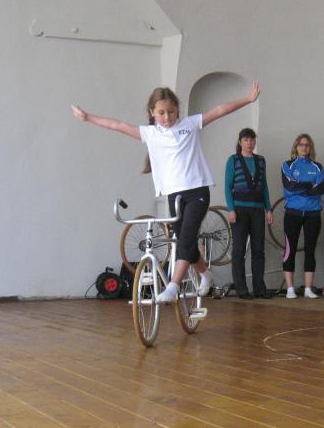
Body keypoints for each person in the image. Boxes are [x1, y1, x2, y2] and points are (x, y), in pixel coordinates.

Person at [71, 81, 260, 305]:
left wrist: (248, 99)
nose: (167, 117)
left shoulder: (190, 124)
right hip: (174, 195)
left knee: (186, 238)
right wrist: (88, 117)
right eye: (161, 112)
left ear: (177, 110)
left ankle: (173, 286)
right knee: (185, 242)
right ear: (152, 112)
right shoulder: (150, 134)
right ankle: (205, 274)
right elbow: (118, 125)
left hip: (198, 191)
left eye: (171, 111)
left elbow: (219, 110)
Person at [225, 128, 273, 300]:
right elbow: (227, 187)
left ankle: (259, 288)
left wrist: (268, 209)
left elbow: (264, 186)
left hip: (258, 210)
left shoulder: (261, 160)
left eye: (252, 140)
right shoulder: (233, 160)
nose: (249, 143)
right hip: (239, 210)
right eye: (246, 140)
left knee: (258, 250)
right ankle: (241, 288)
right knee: (239, 250)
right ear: (240, 142)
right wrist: (231, 209)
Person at [281, 134, 324, 299]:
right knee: (290, 249)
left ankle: (308, 289)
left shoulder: (318, 167)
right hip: (293, 213)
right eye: (301, 144)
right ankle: (290, 289)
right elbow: (289, 187)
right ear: (296, 146)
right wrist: (308, 184)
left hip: (313, 214)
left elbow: (319, 190)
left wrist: (299, 185)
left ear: (310, 148)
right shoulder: (287, 165)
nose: (304, 147)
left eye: (307, 145)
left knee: (310, 250)